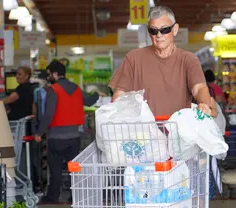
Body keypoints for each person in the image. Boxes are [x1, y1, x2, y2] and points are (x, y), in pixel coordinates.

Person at [109, 6, 218, 118]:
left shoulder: (188, 59)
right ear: (149, 32)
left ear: (175, 29)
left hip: (178, 131)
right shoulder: (133, 58)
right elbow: (119, 95)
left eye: (165, 30)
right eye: (153, 31)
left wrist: (204, 104)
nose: (159, 35)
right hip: (142, 132)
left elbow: (199, 88)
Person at [34, 61, 101, 204]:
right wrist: (97, 94)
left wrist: (39, 133)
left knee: (56, 168)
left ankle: (53, 197)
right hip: (74, 137)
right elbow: (89, 101)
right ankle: (75, 196)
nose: (48, 77)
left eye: (49, 74)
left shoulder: (54, 89)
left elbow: (49, 114)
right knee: (73, 168)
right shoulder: (76, 88)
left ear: (56, 74)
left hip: (56, 137)